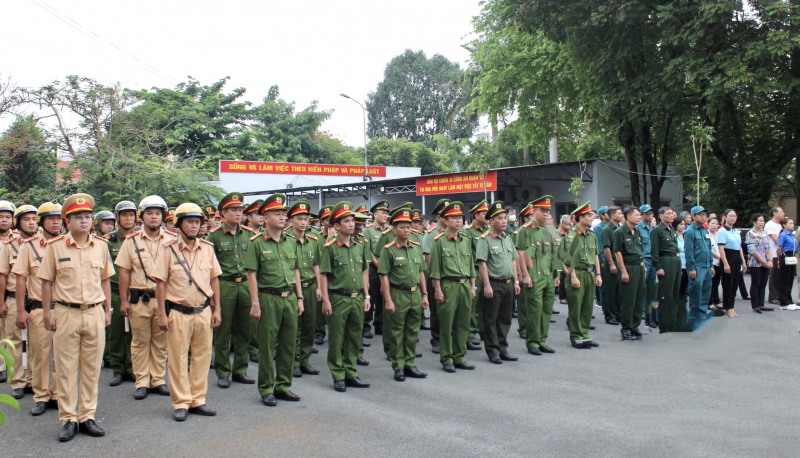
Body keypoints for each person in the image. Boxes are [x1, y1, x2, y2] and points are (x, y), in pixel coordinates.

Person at [38, 193, 114, 441]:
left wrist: (107, 310)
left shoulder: (101, 246)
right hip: (66, 312)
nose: (83, 221)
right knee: (66, 368)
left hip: (94, 311)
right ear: (66, 221)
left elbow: (105, 280)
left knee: (92, 368)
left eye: (87, 216)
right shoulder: (55, 247)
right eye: (77, 217)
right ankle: (69, 418)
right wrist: (48, 313)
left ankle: (87, 416)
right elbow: (47, 282)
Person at [153, 203, 222, 421]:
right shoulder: (168, 250)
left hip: (203, 311)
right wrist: (162, 315)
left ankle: (198, 399)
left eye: (197, 222)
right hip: (178, 312)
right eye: (190, 222)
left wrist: (217, 309)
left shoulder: (208, 248)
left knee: (202, 357)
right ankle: (181, 401)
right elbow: (160, 284)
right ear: (179, 225)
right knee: (177, 358)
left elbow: (214, 280)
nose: (194, 226)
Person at [244, 194, 304, 405]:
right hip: (269, 298)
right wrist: (255, 303)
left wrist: (299, 298)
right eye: (276, 213)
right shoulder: (257, 243)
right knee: (268, 346)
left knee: (288, 344)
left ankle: (283, 386)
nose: (282, 216)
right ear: (265, 217)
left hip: (289, 298)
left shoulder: (291, 242)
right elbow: (251, 274)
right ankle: (266, 388)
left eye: (282, 213)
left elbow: (296, 270)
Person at [115, 196, 175, 400]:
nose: (154, 217)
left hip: (164, 299)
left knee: (161, 341)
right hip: (139, 298)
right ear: (142, 217)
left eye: (158, 213)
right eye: (149, 213)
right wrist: (123, 300)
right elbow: (124, 271)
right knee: (140, 342)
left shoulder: (171, 240)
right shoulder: (131, 241)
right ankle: (141, 381)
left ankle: (158, 379)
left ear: (163, 216)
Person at [12, 201, 62, 415]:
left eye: (58, 218)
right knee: (39, 355)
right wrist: (21, 311)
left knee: (62, 355)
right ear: (42, 222)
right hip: (39, 308)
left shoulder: (68, 244)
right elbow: (21, 279)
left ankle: (57, 393)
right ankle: (41, 395)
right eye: (50, 218)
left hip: (63, 308)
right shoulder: (29, 246)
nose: (55, 222)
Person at [206, 192, 256, 389]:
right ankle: (223, 371)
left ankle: (240, 370)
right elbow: (209, 268)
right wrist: (212, 295)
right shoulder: (214, 235)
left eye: (240, 210)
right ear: (223, 212)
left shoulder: (249, 234)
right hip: (224, 284)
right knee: (223, 331)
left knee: (245, 330)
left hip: (245, 284)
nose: (238, 213)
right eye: (234, 210)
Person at [319, 201, 371, 392]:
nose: (351, 224)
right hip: (338, 298)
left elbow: (364, 270)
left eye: (352, 221)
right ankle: (338, 375)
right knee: (337, 338)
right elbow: (323, 274)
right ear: (336, 226)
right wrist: (325, 300)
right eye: (347, 221)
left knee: (354, 338)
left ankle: (351, 372)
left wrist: (367, 296)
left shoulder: (359, 245)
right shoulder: (330, 247)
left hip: (357, 297)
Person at [379, 207, 429, 380]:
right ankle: (398, 366)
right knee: (396, 331)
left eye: (408, 227)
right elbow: (383, 275)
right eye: (402, 227)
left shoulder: (416, 247)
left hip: (415, 294)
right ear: (394, 230)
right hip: (398, 294)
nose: (406, 230)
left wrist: (424, 294)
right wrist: (388, 300)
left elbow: (421, 272)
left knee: (413, 331)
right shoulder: (389, 249)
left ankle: (410, 363)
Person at [429, 201, 477, 372]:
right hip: (448, 285)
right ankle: (447, 358)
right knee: (447, 323)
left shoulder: (466, 240)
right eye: (454, 218)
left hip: (465, 285)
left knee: (463, 323)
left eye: (460, 217)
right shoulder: (439, 241)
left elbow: (471, 265)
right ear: (445, 220)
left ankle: (459, 356)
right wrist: (438, 290)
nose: (458, 221)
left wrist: (473, 287)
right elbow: (435, 269)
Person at [475, 201, 520, 363]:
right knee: (491, 319)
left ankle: (503, 348)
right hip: (493, 284)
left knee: (505, 319)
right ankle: (493, 351)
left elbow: (514, 260)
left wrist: (516, 282)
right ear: (491, 221)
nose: (504, 221)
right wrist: (486, 285)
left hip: (508, 283)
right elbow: (482, 264)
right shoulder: (484, 239)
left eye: (505, 218)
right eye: (500, 218)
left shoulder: (507, 238)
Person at [515, 196, 559, 355]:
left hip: (548, 275)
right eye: (543, 210)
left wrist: (556, 274)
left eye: (548, 210)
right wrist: (525, 274)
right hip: (534, 276)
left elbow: (553, 254)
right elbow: (520, 252)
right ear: (534, 211)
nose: (546, 214)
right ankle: (532, 342)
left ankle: (542, 340)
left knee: (546, 310)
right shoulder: (525, 230)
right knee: (534, 311)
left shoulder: (550, 230)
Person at [286, 199, 322, 378]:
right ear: (291, 220)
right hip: (293, 290)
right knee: (294, 327)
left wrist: (319, 287)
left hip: (310, 286)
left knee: (309, 326)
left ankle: (304, 360)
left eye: (305, 219)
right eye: (299, 218)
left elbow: (316, 265)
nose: (303, 222)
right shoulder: (285, 240)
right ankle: (292, 361)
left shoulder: (313, 240)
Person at [105, 200, 137, 387]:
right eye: (124, 215)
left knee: (135, 333)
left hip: (136, 292)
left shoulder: (139, 238)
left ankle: (132, 368)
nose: (128, 218)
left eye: (131, 215)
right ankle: (118, 369)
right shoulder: (108, 241)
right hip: (115, 291)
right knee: (116, 332)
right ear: (117, 218)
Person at [561, 202, 602, 348]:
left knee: (587, 306)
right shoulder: (571, 235)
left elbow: (596, 255)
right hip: (576, 272)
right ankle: (576, 336)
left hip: (590, 273)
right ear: (581, 217)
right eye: (589, 216)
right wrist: (572, 276)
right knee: (576, 307)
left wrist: (598, 274)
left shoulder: (592, 234)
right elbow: (565, 258)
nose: (592, 218)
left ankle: (585, 334)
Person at [0, 201, 30, 399]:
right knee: (13, 341)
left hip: (34, 300)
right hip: (11, 297)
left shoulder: (41, 244)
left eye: (7, 216)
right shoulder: (9, 246)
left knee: (35, 344)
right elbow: (3, 275)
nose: (4, 220)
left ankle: (33, 380)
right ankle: (17, 381)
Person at [422, 199, 451, 354]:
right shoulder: (431, 234)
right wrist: (435, 279)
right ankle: (437, 340)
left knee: (450, 309)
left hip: (452, 278)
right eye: (445, 215)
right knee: (437, 310)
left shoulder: (455, 233)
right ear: (439, 218)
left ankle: (449, 338)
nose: (448, 218)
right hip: (436, 277)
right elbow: (428, 258)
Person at [613, 206, 646, 340]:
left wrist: (643, 266)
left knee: (638, 299)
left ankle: (635, 326)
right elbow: (618, 252)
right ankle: (626, 328)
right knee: (628, 299)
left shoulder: (637, 231)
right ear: (628, 217)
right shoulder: (620, 232)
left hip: (639, 267)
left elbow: (640, 249)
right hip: (628, 267)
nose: (639, 217)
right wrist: (624, 271)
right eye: (637, 215)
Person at [651, 207, 686, 332]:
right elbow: (654, 251)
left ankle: (672, 322)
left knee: (674, 294)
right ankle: (664, 325)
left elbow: (675, 249)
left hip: (675, 262)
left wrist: (679, 266)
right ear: (661, 216)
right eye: (668, 214)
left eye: (672, 213)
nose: (672, 216)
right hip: (665, 262)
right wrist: (658, 267)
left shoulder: (671, 230)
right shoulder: (657, 230)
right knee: (665, 294)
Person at [684, 206, 715, 331]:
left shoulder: (705, 231)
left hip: (707, 266)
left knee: (705, 294)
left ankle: (702, 318)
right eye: (700, 214)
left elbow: (709, 248)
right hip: (696, 266)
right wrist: (691, 268)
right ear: (693, 216)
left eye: (704, 214)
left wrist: (711, 265)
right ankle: (693, 321)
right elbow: (688, 251)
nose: (703, 217)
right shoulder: (690, 231)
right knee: (696, 294)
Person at [362, 200, 389, 338]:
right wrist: (379, 265)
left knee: (382, 296)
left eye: (386, 213)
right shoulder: (368, 230)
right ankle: (366, 325)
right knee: (371, 297)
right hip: (372, 269)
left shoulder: (388, 231)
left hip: (384, 270)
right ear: (375, 214)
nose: (385, 216)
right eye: (383, 213)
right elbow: (367, 251)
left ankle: (379, 324)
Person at [464, 200, 489, 351]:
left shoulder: (488, 231)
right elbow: (466, 255)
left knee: (485, 305)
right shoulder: (468, 232)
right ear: (476, 215)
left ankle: (483, 330)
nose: (487, 217)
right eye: (485, 214)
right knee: (472, 306)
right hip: (474, 272)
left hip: (486, 272)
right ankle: (470, 334)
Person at [717, 209, 746, 317]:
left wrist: (743, 261)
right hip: (728, 257)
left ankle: (731, 306)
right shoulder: (722, 231)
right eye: (731, 216)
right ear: (725, 217)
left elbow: (739, 247)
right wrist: (725, 263)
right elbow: (721, 248)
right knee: (728, 284)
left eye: (735, 216)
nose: (733, 218)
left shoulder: (736, 231)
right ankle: (727, 307)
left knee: (734, 284)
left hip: (736, 257)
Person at [314, 205, 334, 346]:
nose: (330, 223)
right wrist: (329, 239)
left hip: (337, 276)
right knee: (320, 305)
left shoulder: (342, 236)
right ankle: (319, 332)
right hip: (322, 275)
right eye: (327, 220)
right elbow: (319, 258)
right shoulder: (317, 238)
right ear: (321, 223)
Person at [745, 213, 773, 313]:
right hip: (756, 263)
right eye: (760, 221)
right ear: (754, 222)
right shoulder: (750, 233)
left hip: (766, 262)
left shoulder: (763, 233)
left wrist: (770, 260)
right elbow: (752, 250)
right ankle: (755, 305)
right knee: (756, 283)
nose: (762, 223)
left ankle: (761, 304)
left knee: (763, 283)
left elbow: (769, 247)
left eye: (763, 221)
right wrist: (763, 261)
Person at [601, 206, 623, 325]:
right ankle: (610, 315)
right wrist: (611, 264)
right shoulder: (607, 229)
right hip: (613, 261)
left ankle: (618, 314)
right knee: (610, 290)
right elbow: (606, 248)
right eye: (619, 214)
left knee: (619, 290)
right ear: (612, 215)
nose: (621, 216)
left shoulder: (620, 228)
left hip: (621, 261)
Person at [637, 204, 658, 329]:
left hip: (653, 259)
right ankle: (641, 313)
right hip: (643, 260)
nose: (649, 216)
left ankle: (649, 315)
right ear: (641, 215)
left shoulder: (653, 228)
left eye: (651, 213)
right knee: (641, 288)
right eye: (647, 214)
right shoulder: (638, 228)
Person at [776, 217, 798, 310]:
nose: (792, 225)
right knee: (784, 280)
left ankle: (789, 300)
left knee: (790, 280)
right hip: (785, 256)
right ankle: (783, 302)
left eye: (793, 223)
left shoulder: (792, 235)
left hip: (792, 256)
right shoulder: (783, 235)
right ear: (784, 225)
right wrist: (779, 259)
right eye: (790, 223)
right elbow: (779, 248)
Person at [765, 207, 785, 304]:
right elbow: (776, 239)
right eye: (781, 212)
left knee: (781, 275)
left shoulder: (780, 225)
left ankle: (779, 295)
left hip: (780, 253)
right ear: (774, 213)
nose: (783, 214)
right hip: (773, 253)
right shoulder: (770, 224)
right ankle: (773, 297)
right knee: (774, 275)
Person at [556, 215, 573, 305]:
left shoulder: (571, 234)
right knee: (563, 279)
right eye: (568, 223)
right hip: (560, 263)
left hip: (570, 263)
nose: (570, 225)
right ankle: (562, 297)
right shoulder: (556, 234)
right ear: (562, 222)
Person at [594, 206, 609, 312]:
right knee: (605, 285)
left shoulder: (613, 226)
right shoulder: (599, 227)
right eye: (608, 213)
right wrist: (602, 260)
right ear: (602, 216)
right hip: (604, 259)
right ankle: (604, 305)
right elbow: (600, 245)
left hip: (612, 259)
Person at [708, 217, 723, 310]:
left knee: (717, 283)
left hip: (720, 262)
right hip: (712, 262)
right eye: (712, 223)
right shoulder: (706, 235)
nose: (714, 225)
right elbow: (709, 249)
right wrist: (719, 257)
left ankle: (716, 300)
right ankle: (710, 302)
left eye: (716, 223)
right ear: (708, 225)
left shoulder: (719, 235)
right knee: (711, 283)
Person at [676, 219, 688, 296]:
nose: (683, 226)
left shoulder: (685, 235)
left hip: (687, 264)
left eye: (684, 224)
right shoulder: (673, 236)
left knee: (684, 288)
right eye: (680, 224)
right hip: (679, 264)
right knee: (678, 287)